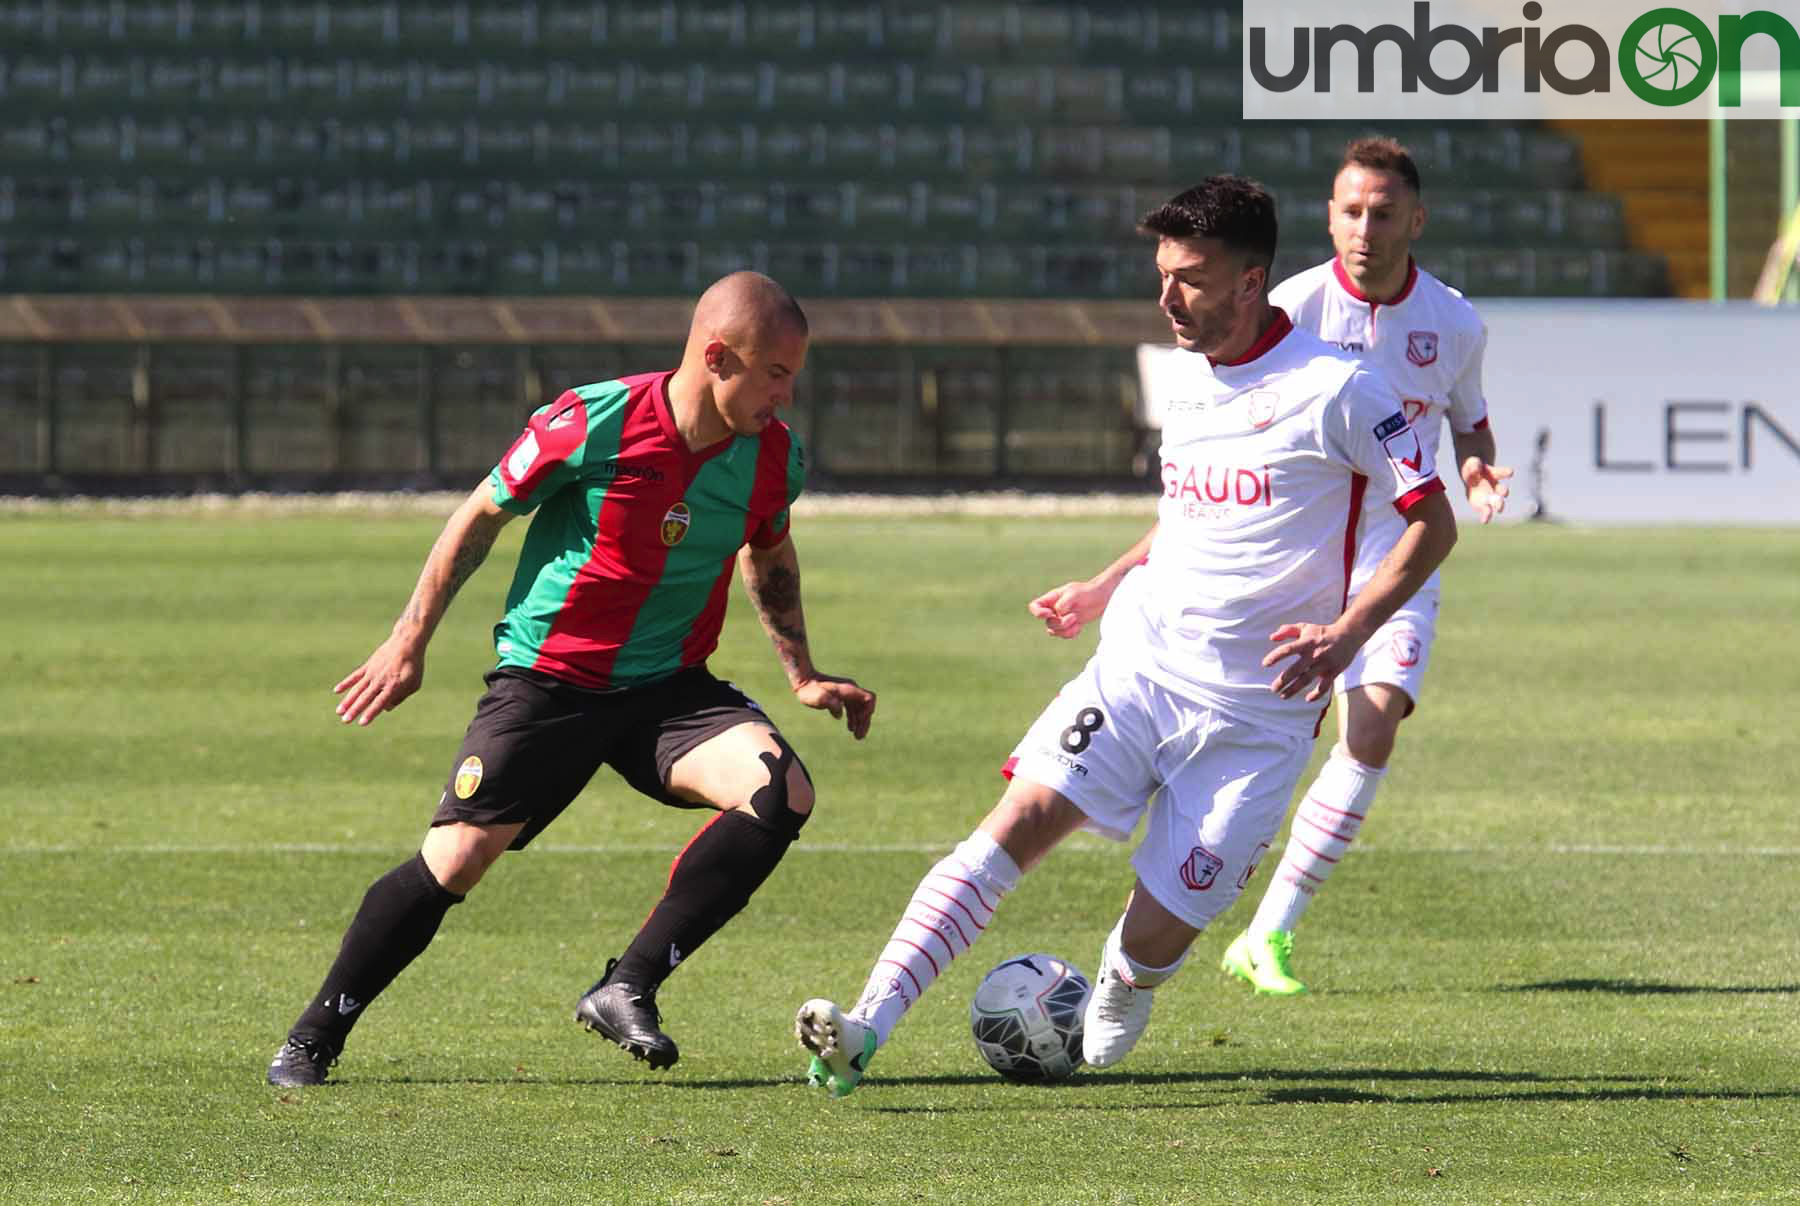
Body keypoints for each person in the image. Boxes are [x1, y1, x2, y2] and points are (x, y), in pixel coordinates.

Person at [795, 176, 1457, 1097]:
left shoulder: (1343, 390)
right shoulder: (1183, 379)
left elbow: (1434, 521)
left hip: (1257, 717)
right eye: (1161, 275)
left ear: (1249, 278)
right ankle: (866, 1027)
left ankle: (1123, 976)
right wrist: (1106, 584)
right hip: (1141, 669)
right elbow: (1186, 517)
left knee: (1157, 932)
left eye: (1188, 278)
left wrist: (1350, 633)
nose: (1167, 298)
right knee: (1018, 820)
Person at [266, 271, 876, 1087]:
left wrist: (801, 674)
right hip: (550, 683)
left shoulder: (774, 458)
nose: (786, 393)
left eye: (793, 375)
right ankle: (313, 1035)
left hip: (668, 690)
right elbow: (479, 516)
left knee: (781, 791)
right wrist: (406, 643)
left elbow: (769, 555)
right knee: (455, 862)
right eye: (775, 372)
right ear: (717, 355)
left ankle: (628, 985)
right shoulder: (593, 421)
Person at [1219, 137, 1512, 998]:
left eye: (1384, 214)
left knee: (1373, 726)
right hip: (1296, 549)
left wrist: (1476, 465)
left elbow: (1471, 417)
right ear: (1331, 216)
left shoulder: (1455, 323)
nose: (1366, 228)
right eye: (1351, 211)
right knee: (1236, 730)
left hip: (1395, 555)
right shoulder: (1292, 306)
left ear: (1415, 221)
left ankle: (1267, 934)